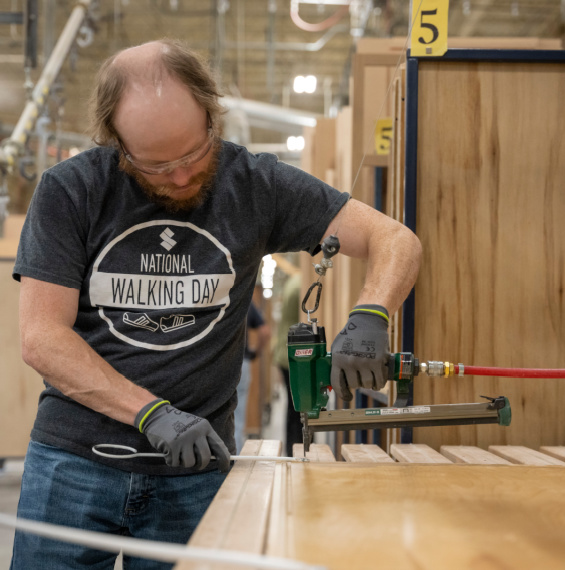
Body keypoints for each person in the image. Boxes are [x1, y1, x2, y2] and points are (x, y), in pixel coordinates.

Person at [10, 39, 422, 569]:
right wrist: (150, 413)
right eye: (156, 166)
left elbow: (395, 240)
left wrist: (371, 314)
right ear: (117, 142)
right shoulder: (70, 190)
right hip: (72, 467)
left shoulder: (256, 185)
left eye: (193, 154)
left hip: (194, 477)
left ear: (211, 112)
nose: (180, 177)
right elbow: (42, 336)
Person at [234, 302, 270, 452]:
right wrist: (256, 351)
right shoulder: (244, 300)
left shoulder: (214, 299)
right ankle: (233, 457)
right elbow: (265, 331)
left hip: (216, 365)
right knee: (238, 414)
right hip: (242, 362)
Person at [273, 272, 303, 456]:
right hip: (294, 355)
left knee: (293, 407)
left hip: (287, 353)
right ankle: (296, 451)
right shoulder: (302, 285)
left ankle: (292, 450)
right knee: (299, 407)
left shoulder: (294, 281)